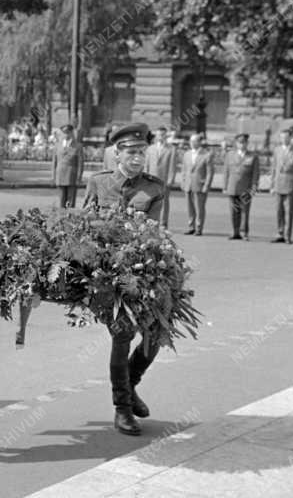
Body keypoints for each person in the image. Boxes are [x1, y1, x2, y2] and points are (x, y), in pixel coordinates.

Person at [82, 123, 164, 436]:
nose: (137, 157)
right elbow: (83, 225)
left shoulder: (154, 188)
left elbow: (154, 232)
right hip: (107, 276)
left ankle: (130, 384)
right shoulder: (99, 183)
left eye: (141, 152)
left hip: (141, 271)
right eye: (131, 152)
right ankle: (123, 408)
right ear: (117, 153)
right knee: (123, 335)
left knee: (156, 334)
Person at [224, 133, 260, 241]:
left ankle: (244, 232)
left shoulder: (253, 156)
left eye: (244, 142)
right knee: (234, 211)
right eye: (240, 142)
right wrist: (225, 186)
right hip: (233, 187)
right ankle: (235, 232)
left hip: (246, 188)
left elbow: (255, 173)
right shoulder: (230, 155)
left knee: (245, 211)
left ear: (247, 143)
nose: (242, 145)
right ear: (236, 143)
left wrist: (254, 186)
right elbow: (226, 171)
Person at [270, 129, 293, 243]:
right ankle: (280, 233)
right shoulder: (277, 150)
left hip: (290, 184)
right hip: (279, 183)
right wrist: (272, 185)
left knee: (289, 212)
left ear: (290, 138)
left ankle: (288, 235)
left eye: (286, 137)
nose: (284, 139)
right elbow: (274, 168)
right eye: (282, 137)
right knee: (279, 210)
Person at [180, 133, 214, 236]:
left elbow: (210, 172)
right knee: (190, 207)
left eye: (194, 141)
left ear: (199, 142)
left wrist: (206, 186)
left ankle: (199, 228)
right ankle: (191, 227)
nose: (192, 143)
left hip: (200, 185)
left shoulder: (206, 155)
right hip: (188, 185)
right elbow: (184, 170)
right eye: (191, 141)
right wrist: (183, 182)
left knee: (199, 208)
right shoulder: (187, 154)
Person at [144, 126, 177, 229]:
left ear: (166, 136)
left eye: (162, 135)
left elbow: (172, 166)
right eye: (159, 134)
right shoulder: (150, 148)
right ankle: (151, 222)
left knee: (164, 202)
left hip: (164, 180)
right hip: (151, 180)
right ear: (156, 135)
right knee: (150, 201)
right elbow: (146, 165)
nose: (160, 136)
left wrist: (171, 179)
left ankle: (163, 223)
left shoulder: (171, 149)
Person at [52, 124, 83, 208]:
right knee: (61, 201)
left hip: (72, 176)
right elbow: (54, 162)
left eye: (68, 132)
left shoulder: (78, 146)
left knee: (71, 201)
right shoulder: (57, 145)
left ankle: (70, 219)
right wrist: (53, 176)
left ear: (71, 133)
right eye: (64, 132)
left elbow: (80, 163)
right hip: (60, 175)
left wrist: (79, 177)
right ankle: (60, 218)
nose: (66, 134)